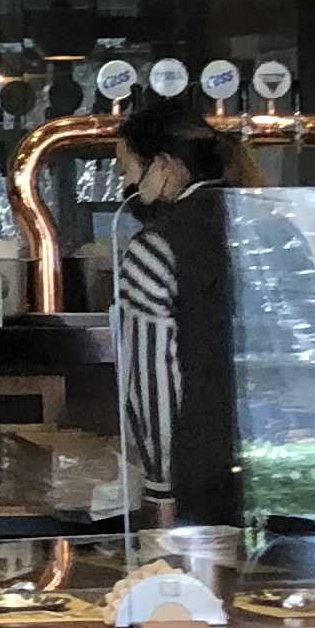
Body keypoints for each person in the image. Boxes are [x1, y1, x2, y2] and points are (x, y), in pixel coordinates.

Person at [108, 93, 244, 532]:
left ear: (164, 166)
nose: (127, 184)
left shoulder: (153, 249)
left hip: (203, 480)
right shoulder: (275, 229)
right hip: (292, 465)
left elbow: (154, 385)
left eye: (127, 169)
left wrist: (160, 489)